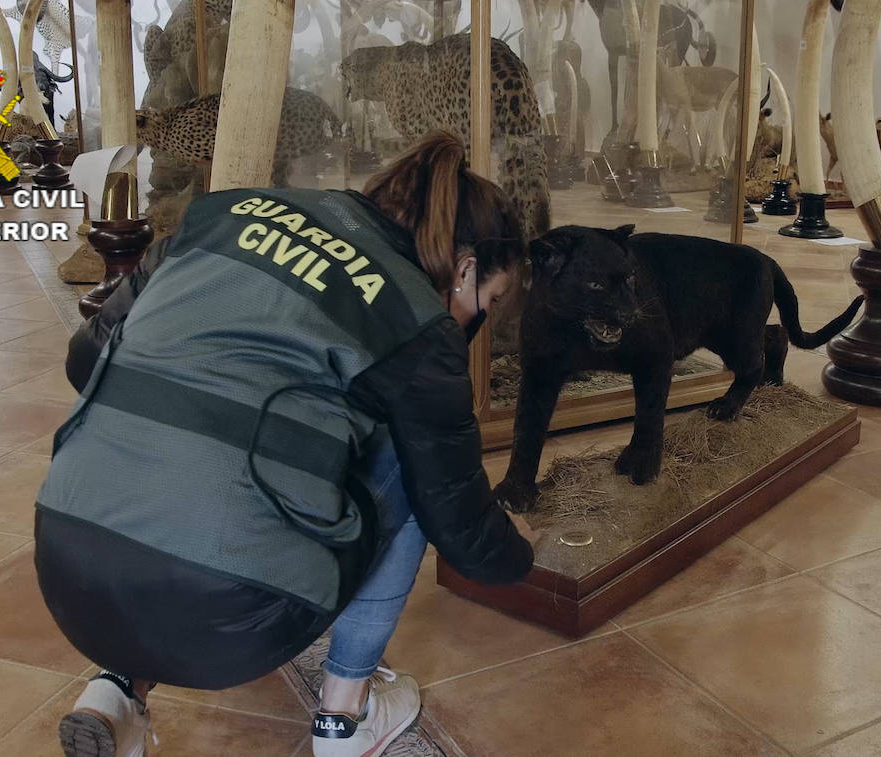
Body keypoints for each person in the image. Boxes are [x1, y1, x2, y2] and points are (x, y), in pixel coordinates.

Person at [36, 131, 535, 757]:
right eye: (488, 302)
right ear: (464, 270)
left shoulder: (219, 217)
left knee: (161, 451)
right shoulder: (417, 325)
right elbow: (460, 527)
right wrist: (528, 560)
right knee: (407, 458)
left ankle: (114, 691)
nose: (478, 320)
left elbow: (86, 357)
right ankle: (346, 718)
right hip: (233, 619)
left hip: (67, 568)